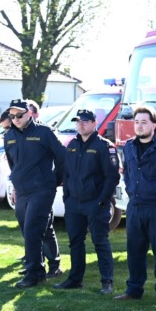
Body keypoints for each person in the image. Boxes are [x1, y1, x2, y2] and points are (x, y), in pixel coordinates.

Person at [117, 104, 156, 304]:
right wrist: (129, 189)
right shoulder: (128, 147)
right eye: (136, 122)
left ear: (154, 124)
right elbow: (126, 171)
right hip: (135, 207)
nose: (139, 126)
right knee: (135, 251)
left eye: (144, 122)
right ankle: (134, 290)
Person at [54, 108, 119, 294]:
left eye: (84, 121)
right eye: (78, 121)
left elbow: (112, 176)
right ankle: (75, 279)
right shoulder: (72, 145)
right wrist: (67, 197)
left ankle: (107, 281)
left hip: (95, 203)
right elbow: (66, 173)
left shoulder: (104, 146)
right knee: (75, 242)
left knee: (100, 241)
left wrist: (102, 201)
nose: (80, 124)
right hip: (74, 203)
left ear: (94, 123)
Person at [5, 98, 65, 288]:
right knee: (29, 230)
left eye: (19, 115)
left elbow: (62, 157)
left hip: (41, 190)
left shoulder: (44, 132)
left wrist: (53, 182)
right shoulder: (9, 136)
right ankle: (42, 266)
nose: (16, 119)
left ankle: (34, 274)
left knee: (32, 230)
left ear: (29, 113)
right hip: (22, 192)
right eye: (12, 116)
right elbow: (12, 164)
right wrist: (14, 185)